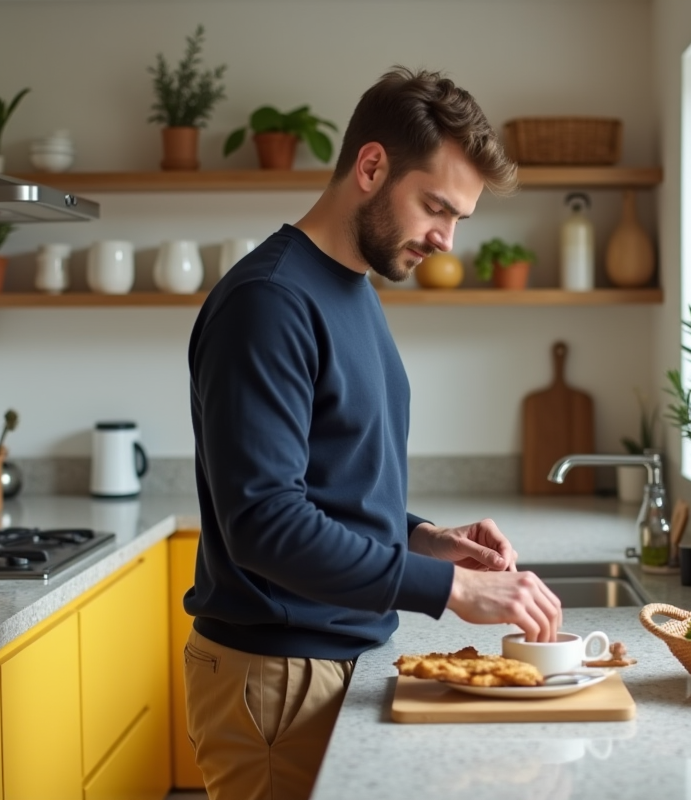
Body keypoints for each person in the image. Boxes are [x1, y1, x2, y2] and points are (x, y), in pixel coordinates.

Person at [183, 66, 564, 800]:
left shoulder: (351, 286)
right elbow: (264, 524)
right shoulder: (270, 302)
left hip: (334, 664)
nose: (445, 240)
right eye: (435, 207)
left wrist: (421, 537)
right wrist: (448, 587)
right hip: (278, 680)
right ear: (370, 166)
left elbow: (329, 484)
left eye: (459, 219)